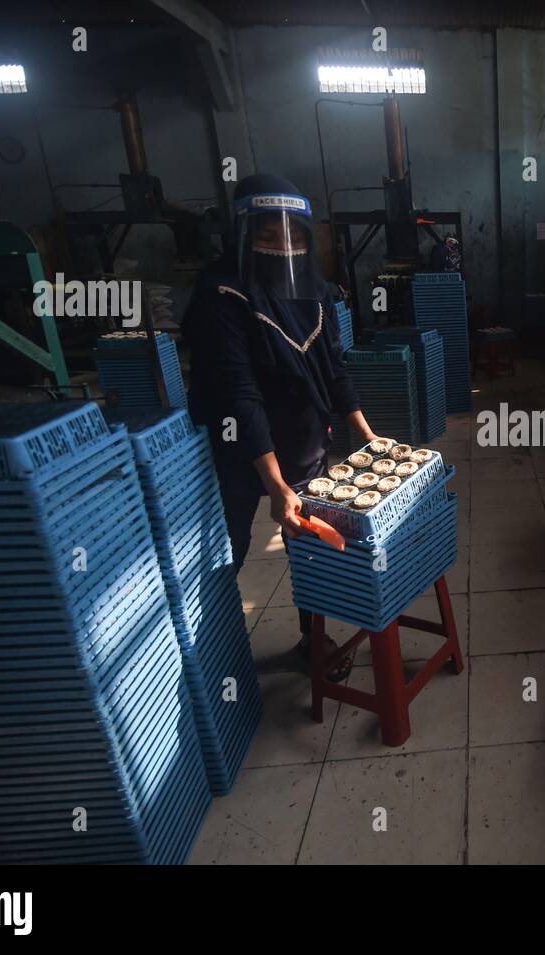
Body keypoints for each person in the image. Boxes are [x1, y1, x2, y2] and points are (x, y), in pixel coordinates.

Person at [181, 173, 380, 680]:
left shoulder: (315, 292)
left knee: (309, 552)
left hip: (307, 443)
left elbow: (334, 367)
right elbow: (239, 395)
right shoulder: (221, 296)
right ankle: (212, 657)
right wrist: (274, 484)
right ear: (244, 235)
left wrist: (368, 434)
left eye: (294, 236)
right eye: (268, 236)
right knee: (227, 552)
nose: (283, 247)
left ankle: (311, 641)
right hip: (239, 452)